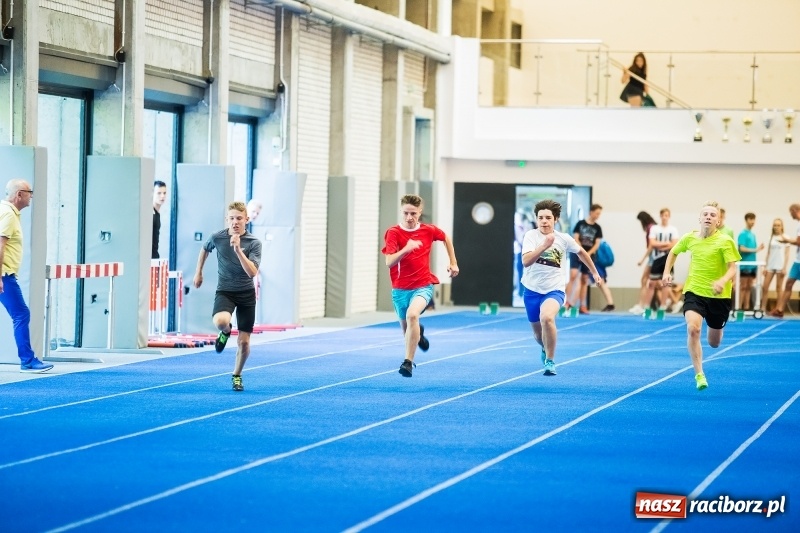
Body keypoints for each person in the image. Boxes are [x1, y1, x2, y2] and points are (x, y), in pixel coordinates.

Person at [662, 201, 741, 391]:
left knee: (714, 343)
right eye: (705, 214)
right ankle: (699, 374)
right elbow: (673, 252)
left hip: (719, 296)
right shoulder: (690, 238)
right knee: (693, 329)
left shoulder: (725, 241)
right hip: (694, 291)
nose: (708, 217)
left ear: (719, 221)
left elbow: (733, 268)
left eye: (713, 215)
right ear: (699, 218)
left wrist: (722, 281)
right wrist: (667, 272)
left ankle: (715, 328)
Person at [521, 199, 602, 376]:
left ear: (555, 219)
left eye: (548, 217)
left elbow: (582, 253)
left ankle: (550, 361)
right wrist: (544, 246)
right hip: (532, 290)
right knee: (537, 334)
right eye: (540, 217)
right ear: (536, 219)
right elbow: (526, 262)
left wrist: (594, 272)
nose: (544, 221)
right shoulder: (531, 236)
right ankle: (544, 347)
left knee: (547, 318)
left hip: (554, 289)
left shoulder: (564, 239)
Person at [381, 194, 458, 377]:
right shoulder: (393, 233)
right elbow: (389, 262)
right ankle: (419, 334)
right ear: (401, 211)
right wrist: (406, 248)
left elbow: (446, 238)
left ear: (419, 212)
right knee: (407, 331)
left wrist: (453, 262)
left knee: (412, 314)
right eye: (406, 213)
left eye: (413, 214)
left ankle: (408, 363)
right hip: (400, 290)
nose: (409, 218)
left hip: (423, 285)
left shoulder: (428, 230)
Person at [193, 201, 262, 391]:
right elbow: (205, 249)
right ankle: (225, 332)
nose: (235, 222)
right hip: (225, 290)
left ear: (246, 220)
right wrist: (199, 272)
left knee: (244, 342)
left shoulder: (254, 243)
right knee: (221, 321)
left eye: (239, 218)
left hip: (246, 294)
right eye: (231, 218)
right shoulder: (217, 237)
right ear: (227, 220)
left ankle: (237, 375)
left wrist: (238, 250)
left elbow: (252, 272)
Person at [0, 179, 54, 373]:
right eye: (30, 192)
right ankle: (28, 360)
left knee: (20, 314)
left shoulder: (6, 211)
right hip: (5, 275)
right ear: (19, 195)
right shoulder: (8, 214)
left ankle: (28, 359)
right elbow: (1, 245)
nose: (32, 195)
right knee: (21, 314)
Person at [568, 204, 613, 313]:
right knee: (573, 275)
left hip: (589, 254)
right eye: (597, 213)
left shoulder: (597, 228)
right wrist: (580, 251)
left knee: (584, 279)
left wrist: (587, 253)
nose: (598, 215)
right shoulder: (580, 224)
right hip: (576, 252)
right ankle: (566, 302)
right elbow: (576, 238)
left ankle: (583, 305)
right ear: (591, 212)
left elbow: (597, 244)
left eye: (599, 214)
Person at [768, 203, 800, 318]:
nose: (790, 214)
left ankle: (779, 309)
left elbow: (799, 242)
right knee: (789, 283)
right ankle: (780, 309)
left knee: (788, 284)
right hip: (797, 261)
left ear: (794, 210)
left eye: (790, 212)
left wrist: (786, 241)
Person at [629, 211, 658, 314]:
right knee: (649, 282)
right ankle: (644, 305)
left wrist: (642, 259)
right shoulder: (653, 226)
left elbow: (651, 245)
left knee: (644, 280)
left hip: (653, 256)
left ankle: (642, 305)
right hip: (655, 256)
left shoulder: (651, 228)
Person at [736, 213, 764, 311]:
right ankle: (738, 307)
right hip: (744, 264)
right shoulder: (743, 234)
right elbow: (741, 248)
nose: (752, 222)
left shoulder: (752, 235)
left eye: (754, 219)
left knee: (749, 287)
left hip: (752, 265)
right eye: (750, 219)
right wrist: (755, 249)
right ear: (746, 220)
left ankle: (746, 307)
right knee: (743, 286)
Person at [762, 218, 790, 312]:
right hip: (770, 265)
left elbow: (787, 254)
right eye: (775, 225)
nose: (776, 227)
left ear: (782, 227)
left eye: (778, 225)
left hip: (780, 266)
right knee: (765, 287)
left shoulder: (785, 237)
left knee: (779, 288)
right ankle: (762, 308)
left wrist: (784, 267)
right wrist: (765, 266)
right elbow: (768, 253)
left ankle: (778, 309)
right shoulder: (771, 238)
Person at [152, 180, 167, 259]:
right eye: (159, 193)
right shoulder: (151, 214)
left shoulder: (156, 213)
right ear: (152, 194)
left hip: (154, 256)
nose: (162, 196)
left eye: (164, 193)